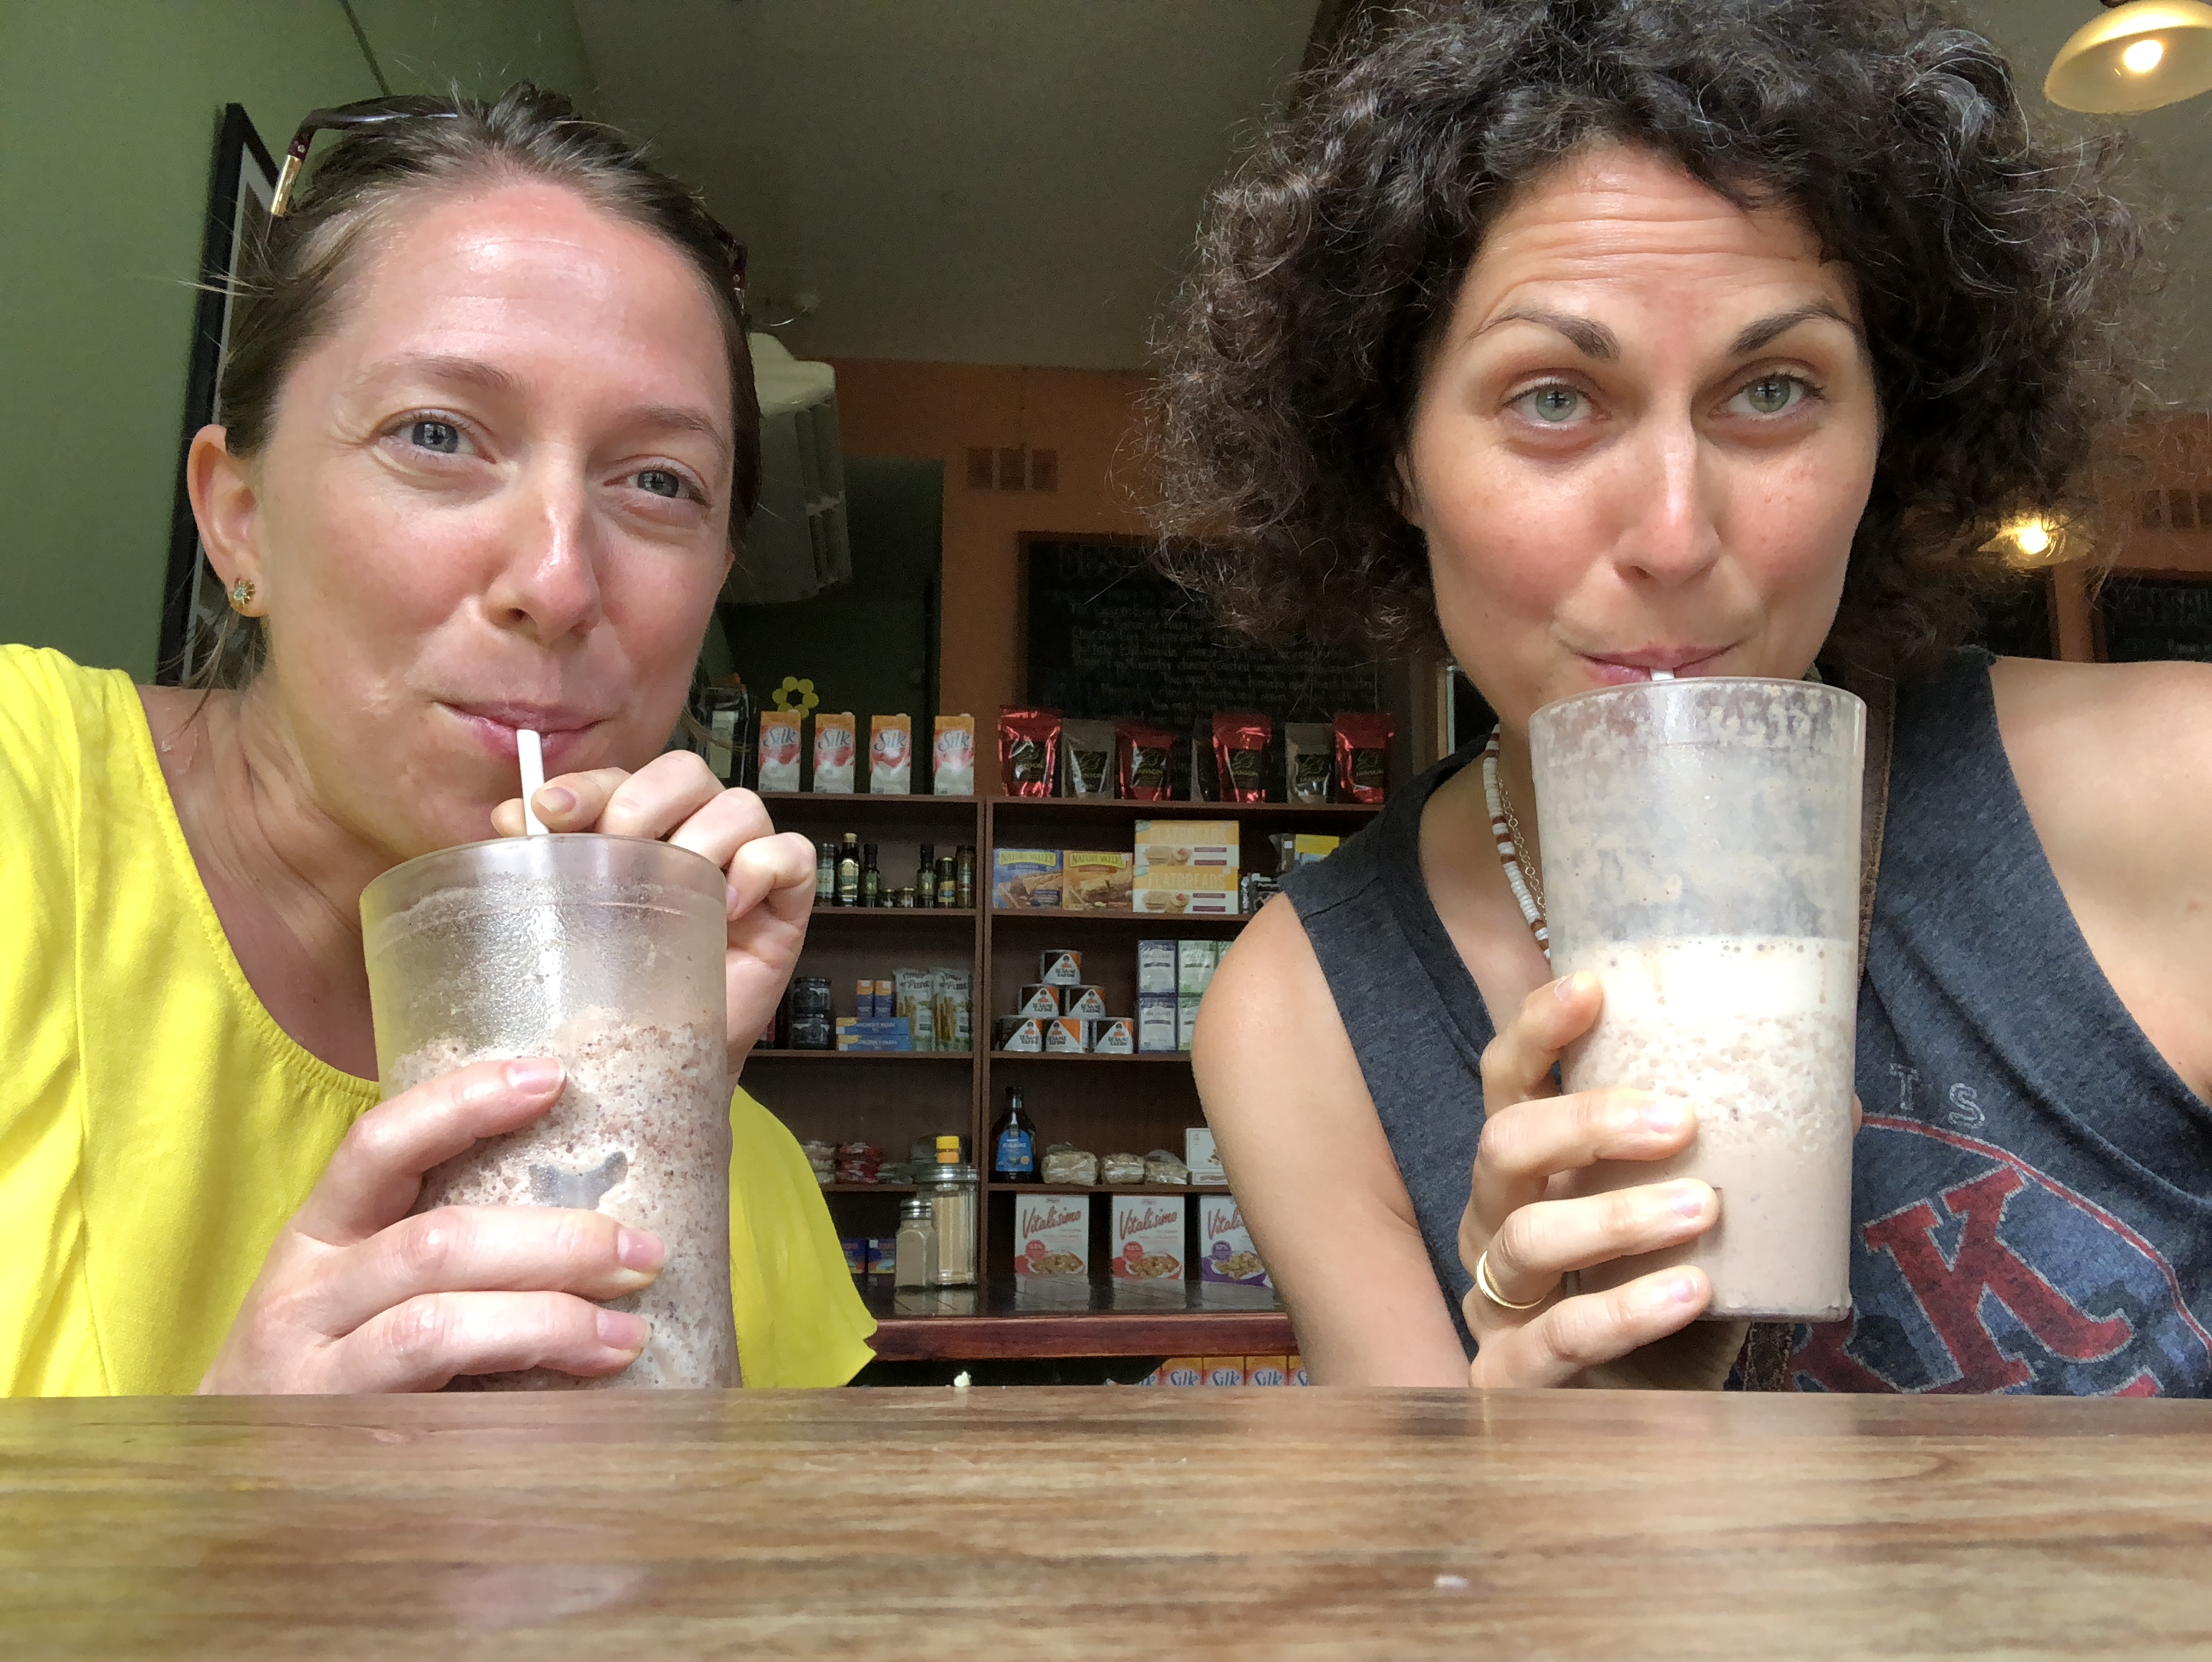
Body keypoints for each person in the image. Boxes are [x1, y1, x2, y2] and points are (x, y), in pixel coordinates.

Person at [1155, 0, 2212, 1392]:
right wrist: (1573, 1441)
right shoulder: (1305, 1022)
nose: (1671, 533)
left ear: (1886, 430)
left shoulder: (2181, 796)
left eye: (1771, 389)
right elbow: (1450, 1535)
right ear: (1394, 453)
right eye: (1551, 397)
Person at [0, 87, 875, 1395]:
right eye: (437, 435)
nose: (560, 582)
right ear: (238, 516)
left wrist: (673, 1179)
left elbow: (699, 1535)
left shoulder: (730, 1156)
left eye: (657, 481)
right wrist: (212, 1493)